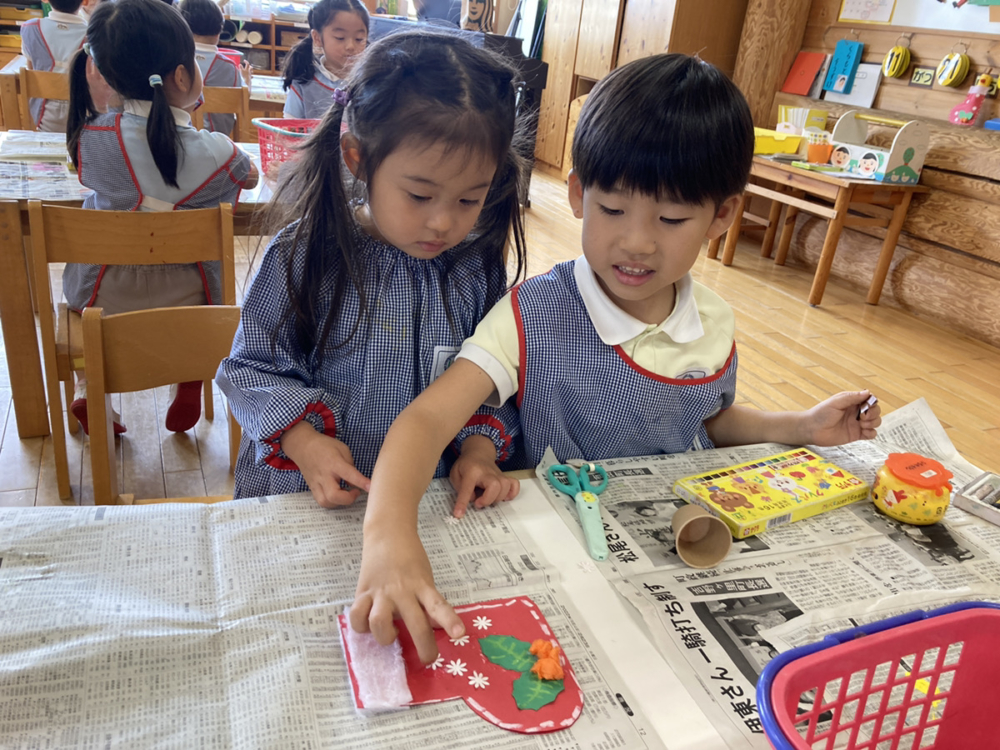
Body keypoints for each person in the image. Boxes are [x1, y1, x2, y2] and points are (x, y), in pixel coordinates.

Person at [349, 54, 885, 663]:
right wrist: (388, 536)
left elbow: (705, 420)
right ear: (578, 193)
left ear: (722, 216)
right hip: (562, 555)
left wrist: (802, 426)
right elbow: (426, 420)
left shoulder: (712, 319)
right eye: (612, 210)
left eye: (673, 218)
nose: (636, 241)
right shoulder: (533, 313)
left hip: (674, 556)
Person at [216, 31, 527, 504]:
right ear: (357, 159)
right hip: (311, 494)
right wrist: (304, 441)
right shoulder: (305, 253)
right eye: (419, 195)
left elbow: (489, 381)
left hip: (428, 498)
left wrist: (480, 451)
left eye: (469, 199)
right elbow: (250, 368)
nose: (443, 222)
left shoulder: (474, 267)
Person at [65, 0, 259, 435]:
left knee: (85, 312)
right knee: (203, 287)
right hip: (191, 304)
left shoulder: (90, 142)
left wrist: (101, 100)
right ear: (182, 76)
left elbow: (110, 146)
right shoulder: (219, 153)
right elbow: (249, 175)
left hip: (103, 302)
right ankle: (190, 374)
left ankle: (89, 389)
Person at [282, 0, 369, 119]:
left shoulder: (371, 82)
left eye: (359, 39)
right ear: (317, 38)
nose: (351, 46)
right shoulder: (304, 83)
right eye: (340, 38)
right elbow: (289, 126)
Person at [180, 0, 253, 136]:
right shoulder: (229, 67)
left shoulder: (176, 60)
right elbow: (242, 98)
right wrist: (246, 81)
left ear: (182, 27)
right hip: (218, 140)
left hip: (180, 138)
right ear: (220, 30)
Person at [20, 0, 86, 132]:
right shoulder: (94, 33)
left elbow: (32, 71)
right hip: (83, 120)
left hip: (43, 120)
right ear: (85, 2)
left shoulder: (30, 28)